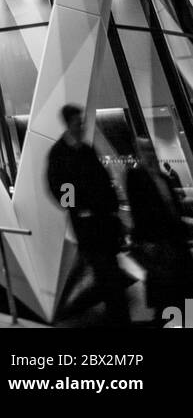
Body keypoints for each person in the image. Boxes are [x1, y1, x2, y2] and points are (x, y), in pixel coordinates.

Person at [46, 104, 129, 326]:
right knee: (106, 273)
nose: (81, 126)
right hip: (88, 228)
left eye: (81, 122)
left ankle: (118, 316)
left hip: (104, 222)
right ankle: (117, 318)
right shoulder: (59, 154)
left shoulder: (86, 150)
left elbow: (102, 180)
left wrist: (110, 206)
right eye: (78, 122)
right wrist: (78, 208)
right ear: (69, 124)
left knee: (109, 272)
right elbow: (57, 186)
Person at [126, 137, 193, 326]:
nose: (150, 154)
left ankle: (183, 321)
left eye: (151, 150)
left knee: (183, 291)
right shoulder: (136, 177)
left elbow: (173, 208)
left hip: (175, 241)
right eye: (145, 151)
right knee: (167, 294)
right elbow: (139, 211)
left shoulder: (163, 177)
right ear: (140, 154)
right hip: (158, 244)